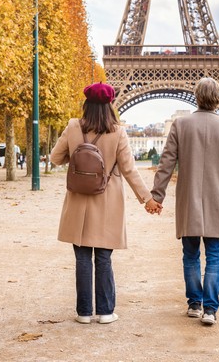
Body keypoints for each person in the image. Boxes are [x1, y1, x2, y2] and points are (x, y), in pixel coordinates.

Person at [50, 82, 161, 325]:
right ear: (110, 105)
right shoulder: (118, 132)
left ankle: (83, 312)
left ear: (86, 104)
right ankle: (106, 311)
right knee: (103, 258)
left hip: (79, 198)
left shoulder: (72, 126)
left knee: (81, 257)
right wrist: (148, 199)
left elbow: (55, 158)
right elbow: (130, 170)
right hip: (107, 200)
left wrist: (78, 155)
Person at [147, 77, 219, 325]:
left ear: (197, 96)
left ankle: (194, 304)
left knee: (190, 254)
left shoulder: (180, 125)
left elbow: (166, 163)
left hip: (189, 201)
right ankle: (210, 309)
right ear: (218, 97)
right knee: (214, 254)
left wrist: (157, 196)